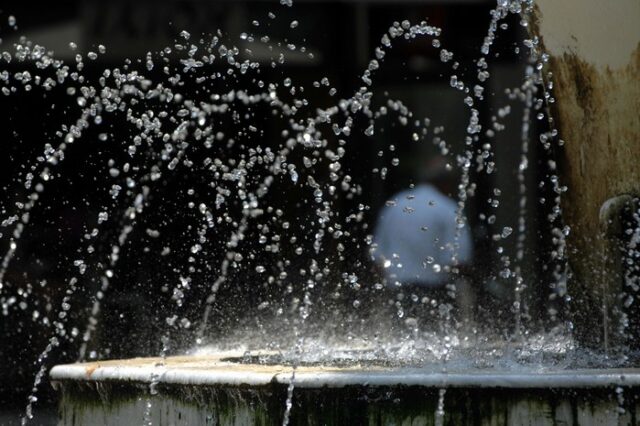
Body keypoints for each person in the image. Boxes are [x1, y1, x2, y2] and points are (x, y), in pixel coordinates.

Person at [372, 157, 473, 333]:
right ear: (447, 183)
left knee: (401, 347)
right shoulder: (448, 209)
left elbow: (377, 257)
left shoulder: (395, 204)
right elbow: (458, 262)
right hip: (436, 294)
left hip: (399, 295)